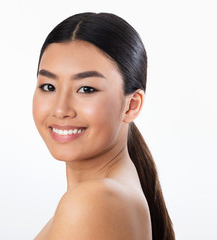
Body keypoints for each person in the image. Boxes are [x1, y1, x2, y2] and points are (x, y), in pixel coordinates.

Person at [32, 12, 175, 240]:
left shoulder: (93, 201)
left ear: (131, 106)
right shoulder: (106, 195)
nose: (60, 109)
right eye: (49, 86)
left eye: (86, 89)